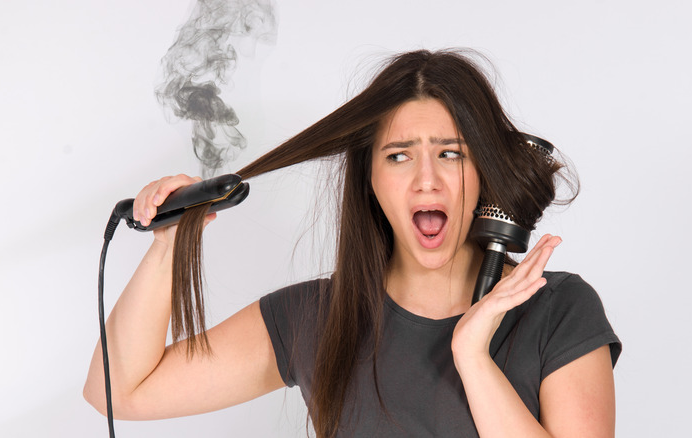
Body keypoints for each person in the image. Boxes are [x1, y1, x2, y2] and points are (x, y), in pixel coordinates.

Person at [84, 49, 621, 437]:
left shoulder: (559, 312)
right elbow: (117, 392)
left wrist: (472, 356)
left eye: (451, 153)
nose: (426, 181)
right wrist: (168, 244)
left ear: (485, 171)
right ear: (370, 178)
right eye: (399, 155)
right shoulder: (315, 317)